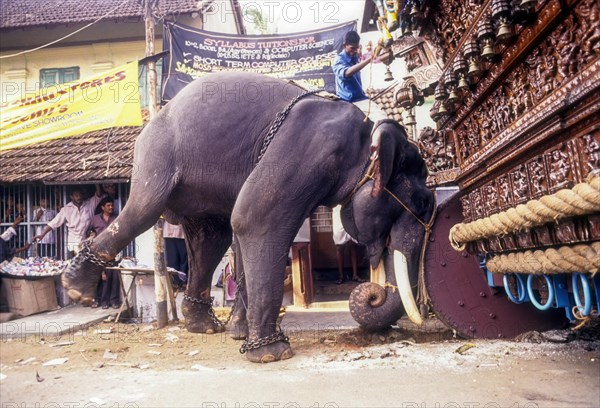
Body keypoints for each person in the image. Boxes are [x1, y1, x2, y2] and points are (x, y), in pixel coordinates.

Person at [332, 30, 391, 154]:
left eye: (357, 48)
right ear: (344, 46)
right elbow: (347, 73)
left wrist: (386, 55)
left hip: (360, 98)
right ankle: (375, 144)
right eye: (352, 48)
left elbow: (375, 59)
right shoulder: (338, 60)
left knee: (383, 120)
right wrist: (368, 60)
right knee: (382, 118)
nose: (354, 51)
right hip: (350, 101)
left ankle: (377, 142)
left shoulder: (355, 56)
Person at [34, 185, 103, 258]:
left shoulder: (89, 204)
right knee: (75, 260)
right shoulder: (66, 209)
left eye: (80, 195)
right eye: (76, 195)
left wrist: (96, 183)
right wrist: (42, 234)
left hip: (88, 238)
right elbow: (53, 223)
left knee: (88, 261)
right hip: (73, 240)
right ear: (71, 197)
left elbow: (98, 195)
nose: (79, 197)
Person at [89, 197, 119, 309]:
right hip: (98, 251)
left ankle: (113, 301)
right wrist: (91, 235)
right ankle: (100, 300)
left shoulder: (115, 218)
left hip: (112, 250)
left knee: (113, 276)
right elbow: (89, 231)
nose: (111, 207)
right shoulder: (95, 219)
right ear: (102, 207)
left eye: (112, 205)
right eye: (108, 206)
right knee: (99, 277)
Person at [331, 205, 365, 284]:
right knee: (339, 247)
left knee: (353, 246)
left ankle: (355, 275)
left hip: (350, 212)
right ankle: (341, 276)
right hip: (338, 214)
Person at [163, 220, 188, 289]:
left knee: (184, 259)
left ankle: (184, 282)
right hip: (169, 233)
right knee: (172, 260)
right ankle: (174, 282)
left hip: (183, 233)